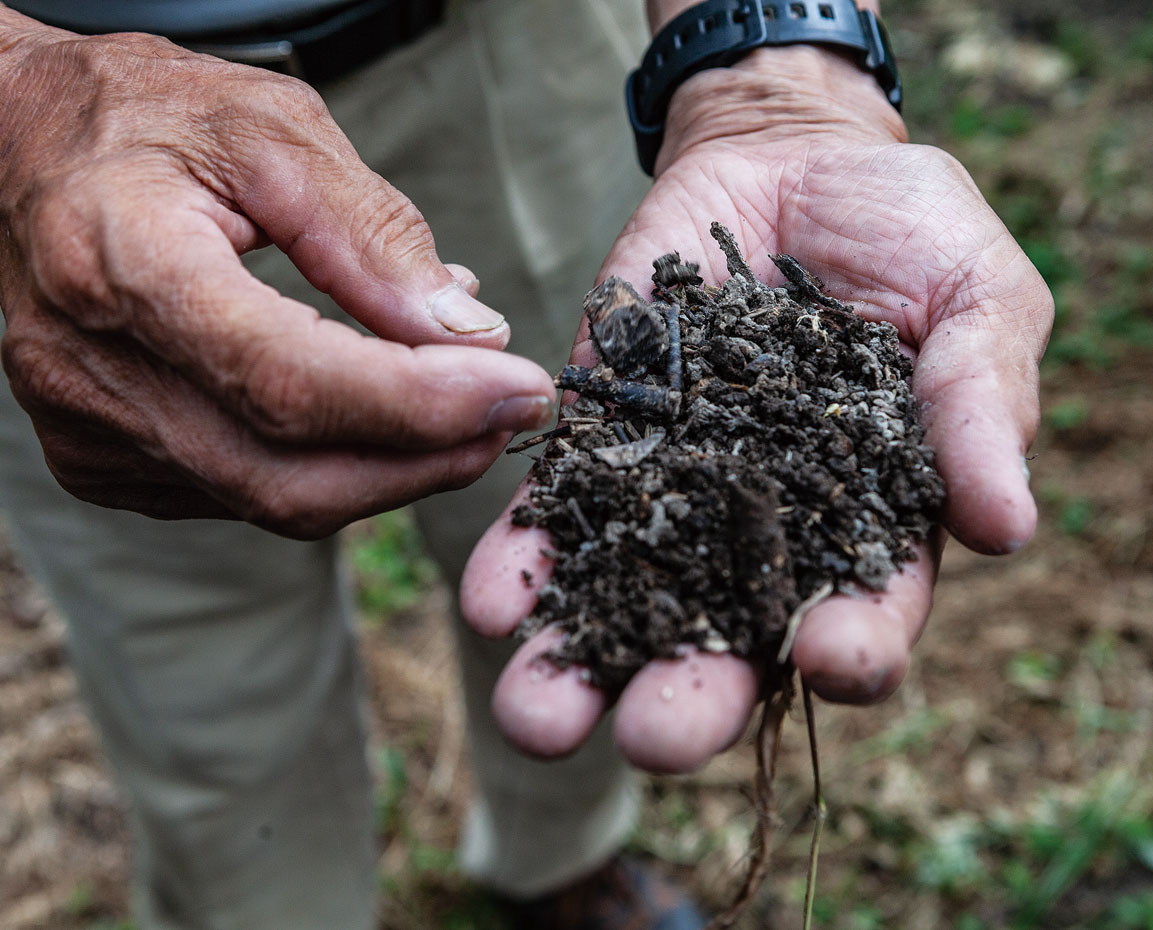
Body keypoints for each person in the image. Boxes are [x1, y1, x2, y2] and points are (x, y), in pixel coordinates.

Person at [0, 0, 1053, 927]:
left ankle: (564, 858)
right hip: (66, 156)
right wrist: (21, 100)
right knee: (202, 689)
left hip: (510, 53)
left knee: (561, 550)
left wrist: (784, 76)